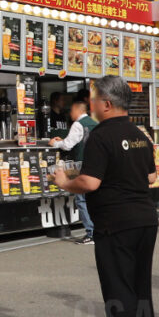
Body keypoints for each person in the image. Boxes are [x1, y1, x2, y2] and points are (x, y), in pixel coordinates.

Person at [50, 76, 157, 317]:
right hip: (146, 219)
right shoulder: (139, 133)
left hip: (115, 221)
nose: (90, 104)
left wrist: (64, 182)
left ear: (106, 104)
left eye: (94, 100)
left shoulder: (100, 135)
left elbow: (90, 182)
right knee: (139, 285)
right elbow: (151, 176)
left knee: (118, 288)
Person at [50, 92, 98, 245]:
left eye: (72, 111)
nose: (70, 113)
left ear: (78, 110)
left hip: (81, 165)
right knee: (93, 199)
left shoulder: (78, 124)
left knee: (81, 199)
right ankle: (98, 230)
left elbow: (68, 145)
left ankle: (91, 233)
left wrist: (55, 144)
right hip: (95, 164)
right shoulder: (94, 124)